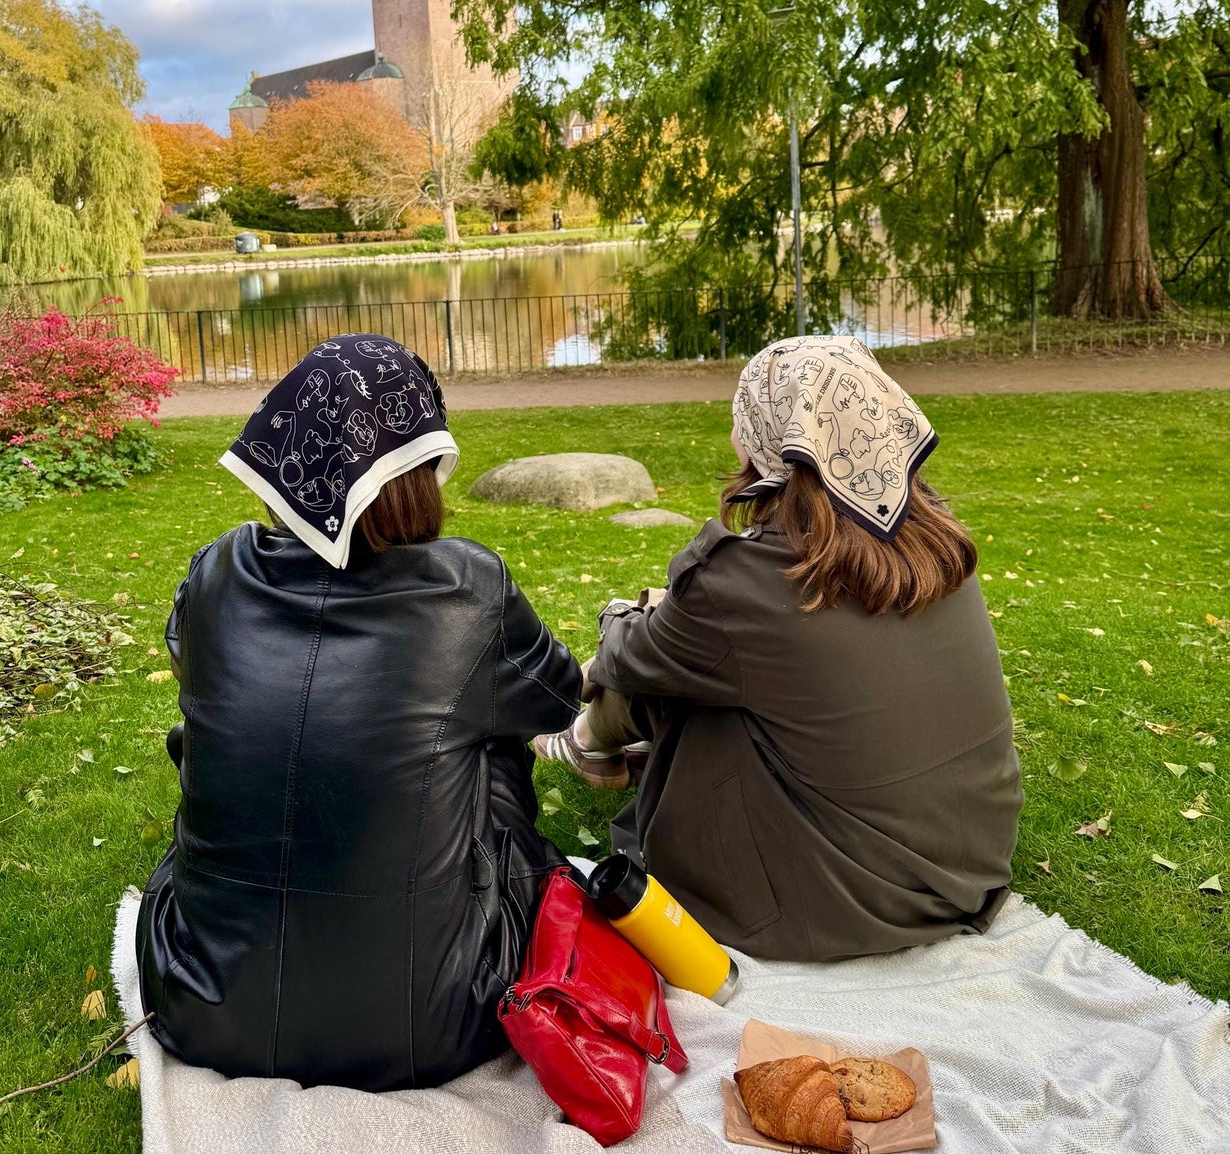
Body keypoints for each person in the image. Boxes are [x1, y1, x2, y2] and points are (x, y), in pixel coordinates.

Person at [137, 335, 579, 1088]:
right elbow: (557, 696)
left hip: (197, 1002)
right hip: (437, 1023)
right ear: (422, 466)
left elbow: (190, 659)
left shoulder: (215, 571)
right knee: (492, 742)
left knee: (214, 743)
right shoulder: (469, 587)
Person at [535, 335, 1022, 962]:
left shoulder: (742, 578)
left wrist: (631, 615)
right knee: (712, 661)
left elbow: (632, 660)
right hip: (969, 865)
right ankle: (590, 741)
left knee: (681, 676)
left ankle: (585, 741)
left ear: (774, 437)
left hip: (846, 906)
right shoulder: (937, 538)